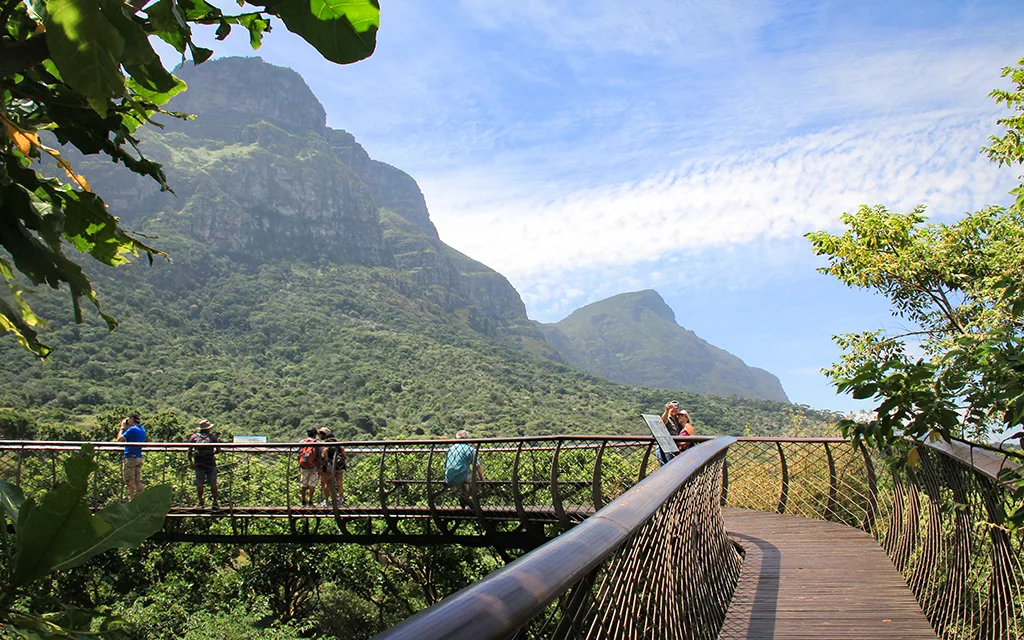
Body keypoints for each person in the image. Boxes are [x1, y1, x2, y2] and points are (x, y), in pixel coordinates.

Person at [445, 430, 483, 503]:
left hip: (449, 477)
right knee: (476, 477)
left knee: (464, 476)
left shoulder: (451, 449)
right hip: (462, 476)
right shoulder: (470, 449)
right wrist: (483, 479)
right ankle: (470, 498)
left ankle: (466, 497)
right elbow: (477, 466)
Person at [187, 419, 219, 508]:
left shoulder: (194, 437)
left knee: (200, 483)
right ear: (208, 428)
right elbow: (218, 450)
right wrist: (212, 453)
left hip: (198, 463)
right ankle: (215, 502)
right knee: (213, 483)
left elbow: (189, 451)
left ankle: (201, 502)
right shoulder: (212, 437)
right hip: (210, 462)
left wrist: (191, 462)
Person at [116, 412, 146, 500]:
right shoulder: (142, 429)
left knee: (130, 480)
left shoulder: (132, 429)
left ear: (131, 420)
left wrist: (122, 428)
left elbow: (119, 439)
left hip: (130, 457)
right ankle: (140, 500)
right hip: (138, 457)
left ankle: (131, 500)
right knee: (138, 480)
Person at [317, 428, 347, 507]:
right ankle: (340, 501)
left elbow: (324, 457)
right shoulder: (338, 443)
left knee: (329, 483)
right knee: (340, 483)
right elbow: (345, 456)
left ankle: (327, 501)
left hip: (331, 466)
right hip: (340, 465)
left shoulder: (326, 445)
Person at [297, 428, 321, 507]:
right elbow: (320, 452)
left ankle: (303, 501)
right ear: (315, 434)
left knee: (303, 484)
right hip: (313, 466)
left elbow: (298, 450)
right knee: (312, 484)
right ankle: (310, 501)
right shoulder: (317, 442)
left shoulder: (302, 442)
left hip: (303, 465)